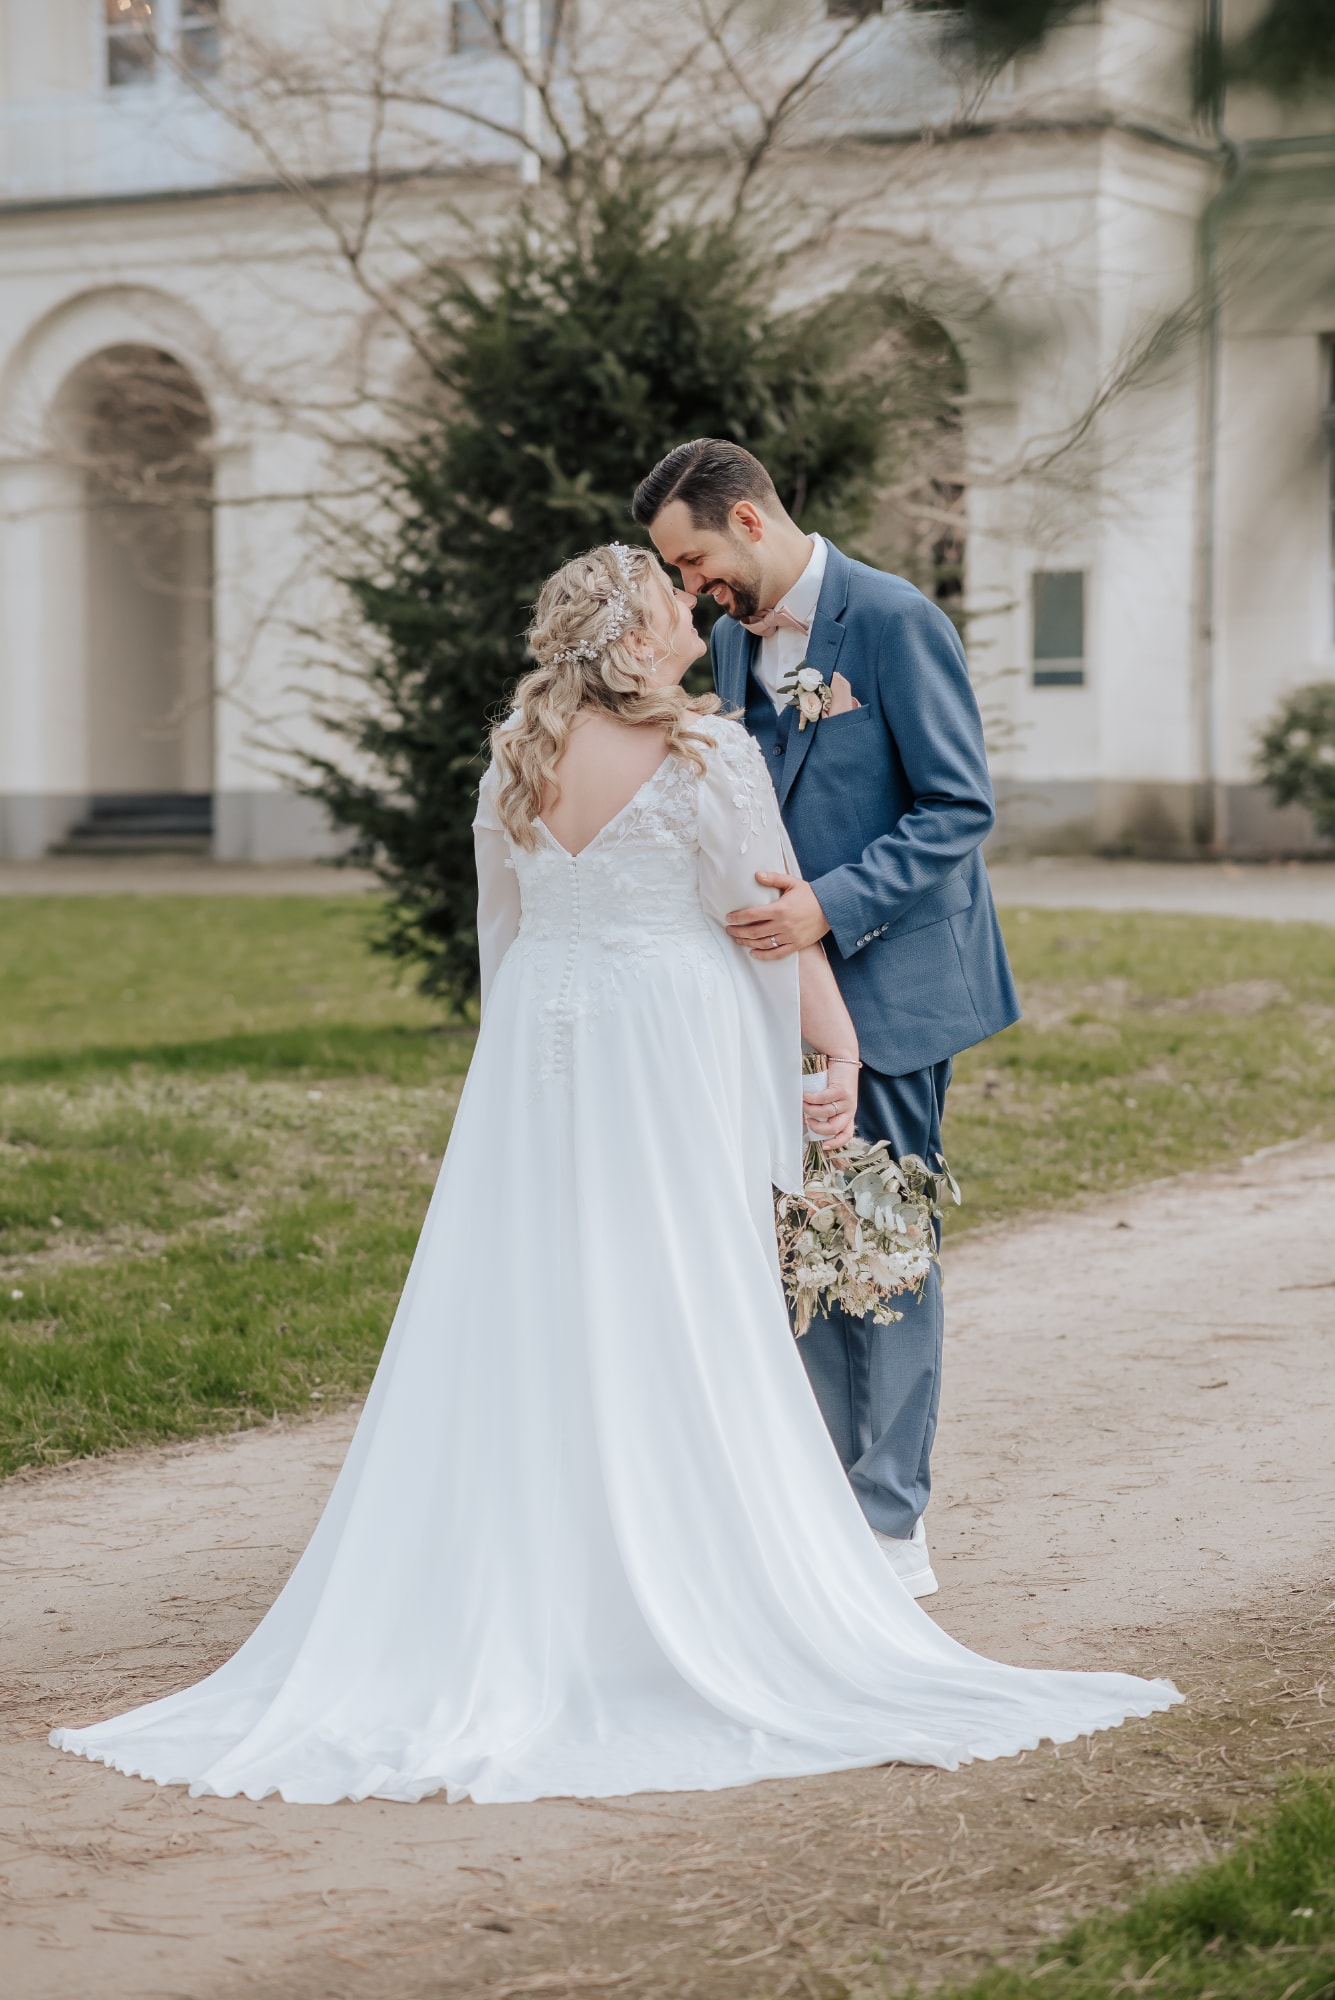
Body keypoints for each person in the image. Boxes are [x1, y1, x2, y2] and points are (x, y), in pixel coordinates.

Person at [50, 545, 1177, 1806]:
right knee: (678, 1285)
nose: (694, 607)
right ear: (636, 642)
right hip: (664, 1046)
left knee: (539, 1288)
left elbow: (505, 929)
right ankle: (692, 1564)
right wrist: (839, 1048)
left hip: (541, 1047)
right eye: (669, 599)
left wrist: (520, 1053)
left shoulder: (515, 756)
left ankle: (541, 1559)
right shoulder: (707, 754)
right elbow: (770, 919)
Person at [635, 441, 1019, 1599]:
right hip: (780, 994)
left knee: (881, 1243)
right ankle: (821, 1507)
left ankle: (891, 1524)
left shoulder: (894, 620)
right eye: (679, 574)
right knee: (802, 1244)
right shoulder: (738, 641)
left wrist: (827, 906)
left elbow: (959, 804)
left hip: (890, 982)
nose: (693, 588)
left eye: (695, 560)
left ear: (748, 519)